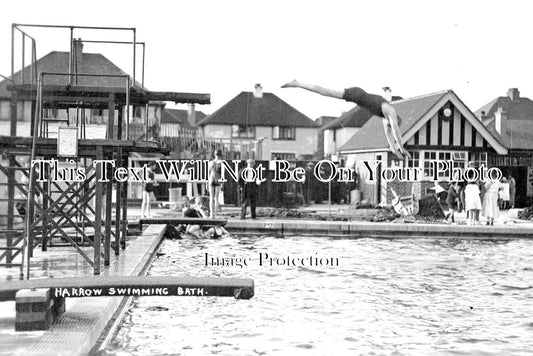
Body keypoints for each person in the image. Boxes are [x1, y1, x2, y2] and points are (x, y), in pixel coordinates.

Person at [282, 80, 409, 159]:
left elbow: (390, 138)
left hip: (358, 96)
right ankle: (298, 84)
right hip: (357, 94)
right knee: (327, 92)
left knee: (327, 92)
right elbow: (396, 132)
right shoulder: (390, 111)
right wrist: (402, 149)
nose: (391, 125)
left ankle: (298, 84)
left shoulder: (385, 118)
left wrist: (395, 151)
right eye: (394, 124)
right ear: (396, 119)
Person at [208, 149, 223, 218]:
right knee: (216, 198)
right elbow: (223, 174)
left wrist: (207, 183)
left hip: (211, 179)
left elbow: (208, 173)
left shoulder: (211, 162)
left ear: (215, 154)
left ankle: (211, 214)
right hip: (218, 180)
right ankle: (215, 214)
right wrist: (222, 184)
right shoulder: (222, 163)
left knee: (211, 198)